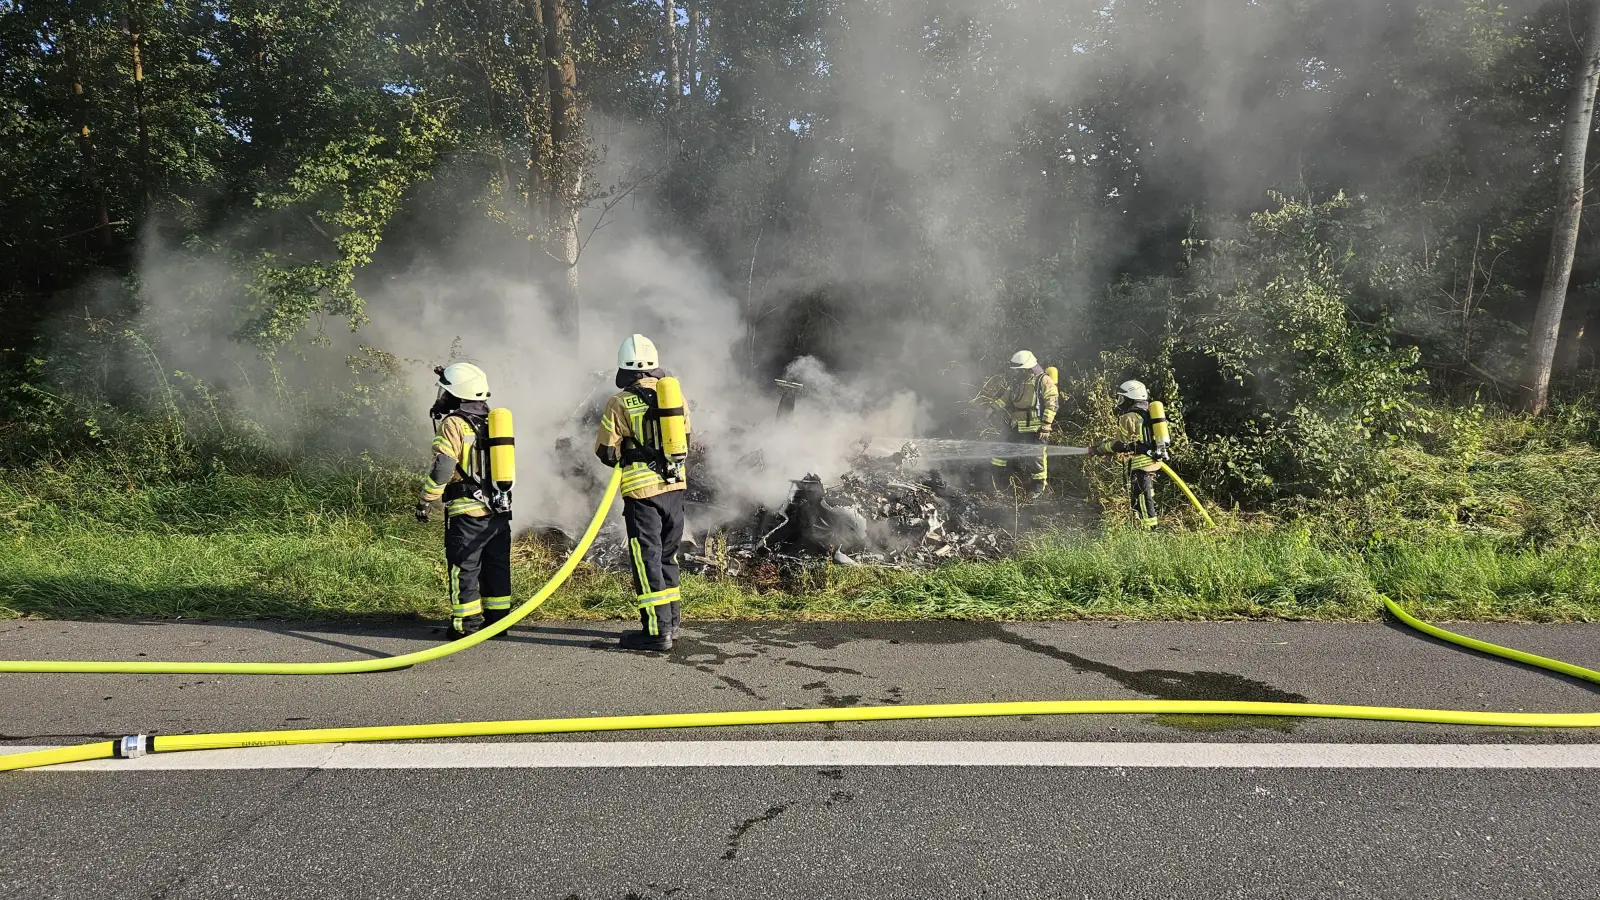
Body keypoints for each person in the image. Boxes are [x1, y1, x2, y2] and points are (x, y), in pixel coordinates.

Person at [593, 334, 691, 652]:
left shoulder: (618, 403)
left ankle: (655, 632)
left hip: (642, 492)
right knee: (667, 556)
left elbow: (606, 452)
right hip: (675, 489)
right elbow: (684, 438)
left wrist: (627, 451)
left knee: (646, 558)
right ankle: (671, 625)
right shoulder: (675, 398)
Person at [414, 363, 512, 639]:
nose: (442, 397)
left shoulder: (454, 423)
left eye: (445, 391)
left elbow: (445, 465)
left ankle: (466, 626)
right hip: (499, 508)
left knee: (464, 566)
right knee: (496, 565)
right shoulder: (494, 420)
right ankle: (498, 622)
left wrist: (426, 499)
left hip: (468, 510)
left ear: (457, 393)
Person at [979, 350, 1059, 498]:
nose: (1016, 372)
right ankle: (1000, 481)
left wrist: (1046, 424)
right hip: (1016, 424)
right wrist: (992, 408)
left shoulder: (1043, 380)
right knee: (1003, 450)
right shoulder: (1016, 382)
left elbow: (1052, 403)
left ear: (1027, 367)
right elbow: (1005, 399)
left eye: (1019, 369)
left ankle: (1038, 487)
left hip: (1036, 427)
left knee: (1036, 457)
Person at [1089, 379, 1166, 528]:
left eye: (1122, 398)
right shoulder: (1148, 413)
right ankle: (1146, 526)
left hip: (1140, 464)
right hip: (1153, 461)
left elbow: (1119, 444)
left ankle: (1149, 530)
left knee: (1142, 499)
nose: (1120, 402)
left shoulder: (1129, 417)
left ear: (1131, 398)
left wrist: (1099, 449)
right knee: (1147, 496)